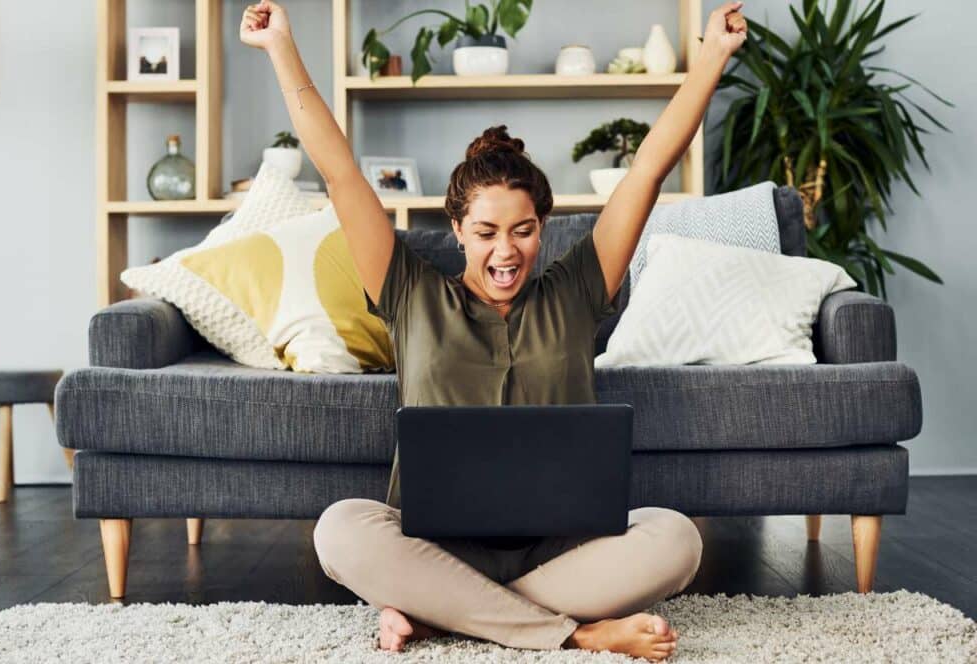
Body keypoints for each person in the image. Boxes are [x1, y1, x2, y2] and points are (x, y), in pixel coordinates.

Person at [240, 1, 748, 659]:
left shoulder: (576, 288)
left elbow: (647, 170)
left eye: (523, 231)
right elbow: (340, 174)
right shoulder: (410, 289)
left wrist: (710, 55)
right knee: (340, 530)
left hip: (563, 547)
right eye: (484, 233)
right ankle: (573, 632)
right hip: (435, 544)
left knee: (676, 539)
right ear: (456, 230)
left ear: (544, 226)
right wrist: (283, 48)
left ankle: (449, 614)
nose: (505, 252)